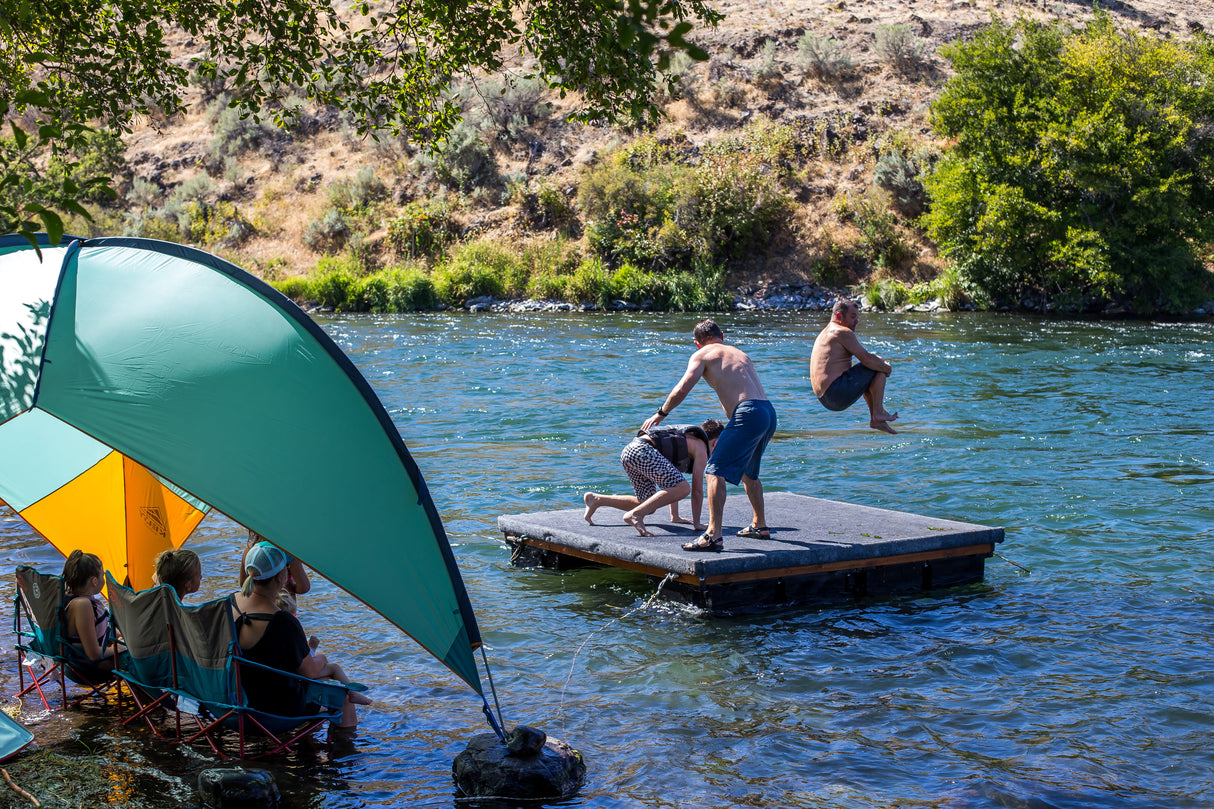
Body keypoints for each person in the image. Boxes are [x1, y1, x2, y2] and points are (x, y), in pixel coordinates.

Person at [640, 319, 778, 552]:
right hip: (768, 411)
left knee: (714, 471)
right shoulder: (739, 353)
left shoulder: (702, 355)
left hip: (748, 413)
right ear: (721, 336)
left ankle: (713, 535)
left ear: (697, 344)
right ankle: (759, 525)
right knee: (749, 474)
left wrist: (661, 413)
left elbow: (683, 387)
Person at [230, 543, 371, 728]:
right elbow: (309, 671)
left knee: (325, 681)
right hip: (271, 709)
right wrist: (322, 659)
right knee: (340, 695)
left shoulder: (229, 604)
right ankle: (347, 750)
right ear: (281, 577)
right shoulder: (283, 620)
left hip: (233, 698)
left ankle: (311, 742)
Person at [583, 419, 724, 537]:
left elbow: (672, 481)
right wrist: (697, 523)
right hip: (642, 451)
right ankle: (635, 515)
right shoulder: (701, 448)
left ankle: (596, 500)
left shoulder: (686, 441)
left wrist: (675, 516)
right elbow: (697, 491)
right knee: (684, 488)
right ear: (717, 443)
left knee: (647, 503)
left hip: (629, 451)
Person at [810, 298, 899, 434]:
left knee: (872, 370)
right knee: (878, 363)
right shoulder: (842, 332)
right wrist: (887, 368)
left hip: (824, 398)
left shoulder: (825, 333)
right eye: (853, 317)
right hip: (835, 392)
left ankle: (876, 417)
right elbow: (867, 360)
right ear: (839, 316)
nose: (856, 321)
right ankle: (878, 413)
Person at [61, 550, 124, 674]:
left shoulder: (71, 596)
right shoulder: (82, 605)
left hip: (75, 661)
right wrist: (119, 648)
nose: (104, 577)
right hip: (87, 668)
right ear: (94, 581)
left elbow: (95, 629)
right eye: (102, 575)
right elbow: (94, 654)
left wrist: (122, 637)